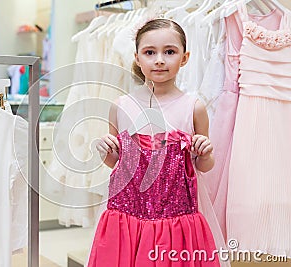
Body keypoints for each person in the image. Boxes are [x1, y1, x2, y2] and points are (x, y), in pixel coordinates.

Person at [87, 18, 221, 266]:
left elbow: (204, 166)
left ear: (184, 57)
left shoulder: (193, 107)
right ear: (138, 58)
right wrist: (106, 150)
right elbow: (117, 164)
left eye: (169, 52)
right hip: (128, 217)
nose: (159, 59)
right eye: (150, 52)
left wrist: (205, 152)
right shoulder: (121, 106)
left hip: (177, 220)